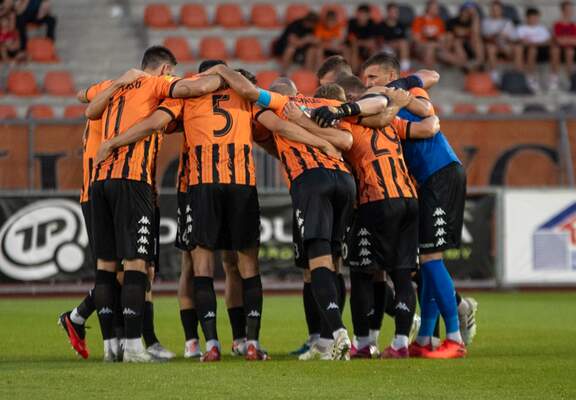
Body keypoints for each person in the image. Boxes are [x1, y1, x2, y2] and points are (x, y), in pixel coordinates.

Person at [84, 46, 224, 363]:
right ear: (163, 70)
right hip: (132, 180)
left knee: (106, 267)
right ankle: (134, 346)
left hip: (100, 181)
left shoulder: (116, 88)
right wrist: (221, 76)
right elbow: (191, 91)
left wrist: (118, 83)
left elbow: (89, 109)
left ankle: (111, 348)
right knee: (137, 264)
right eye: (171, 72)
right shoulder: (157, 85)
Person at [360, 53, 476, 358]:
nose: (367, 83)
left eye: (373, 77)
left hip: (440, 173)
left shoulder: (407, 91)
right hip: (425, 182)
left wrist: (401, 93)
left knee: (431, 258)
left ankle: (454, 338)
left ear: (390, 76)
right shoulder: (383, 103)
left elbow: (427, 109)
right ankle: (425, 337)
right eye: (365, 78)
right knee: (425, 260)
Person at [325, 75, 440, 358]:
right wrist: (415, 105)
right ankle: (400, 343)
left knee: (362, 274)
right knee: (402, 274)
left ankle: (363, 343)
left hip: (375, 199)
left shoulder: (346, 121)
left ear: (352, 100)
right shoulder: (391, 123)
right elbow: (428, 127)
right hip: (408, 199)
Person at [514, 7, 551, 92]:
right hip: (525, 51)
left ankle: (530, 77)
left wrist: (534, 44)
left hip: (541, 52)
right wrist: (532, 43)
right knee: (521, 49)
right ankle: (521, 77)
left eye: (536, 17)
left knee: (533, 49)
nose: (534, 20)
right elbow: (520, 41)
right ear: (527, 18)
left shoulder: (542, 29)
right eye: (532, 17)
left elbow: (548, 42)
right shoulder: (521, 28)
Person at [482, 0, 517, 82]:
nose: (495, 11)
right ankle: (494, 74)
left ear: (501, 10)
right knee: (491, 48)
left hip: (505, 45)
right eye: (493, 9)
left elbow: (514, 38)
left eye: (497, 9)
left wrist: (506, 38)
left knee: (518, 49)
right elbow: (485, 36)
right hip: (493, 45)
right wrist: (496, 36)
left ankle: (518, 74)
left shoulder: (507, 22)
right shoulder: (486, 22)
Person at [445, 2, 484, 69]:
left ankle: (479, 61)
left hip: (470, 45)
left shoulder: (472, 22)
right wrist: (469, 31)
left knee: (476, 39)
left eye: (469, 11)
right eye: (465, 10)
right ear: (461, 10)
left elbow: (476, 33)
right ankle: (465, 64)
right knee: (457, 42)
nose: (466, 12)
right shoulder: (453, 20)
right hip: (455, 46)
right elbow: (459, 32)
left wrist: (475, 16)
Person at [374, 3, 411, 72]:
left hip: (398, 48)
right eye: (392, 12)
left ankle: (404, 70)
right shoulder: (380, 25)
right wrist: (389, 43)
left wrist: (395, 44)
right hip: (385, 47)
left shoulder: (401, 25)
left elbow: (403, 40)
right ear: (388, 12)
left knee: (403, 44)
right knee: (389, 52)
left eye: (396, 12)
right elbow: (378, 41)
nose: (394, 14)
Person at [411, 0, 446, 68]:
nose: (438, 10)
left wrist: (435, 43)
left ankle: (464, 65)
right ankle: (429, 69)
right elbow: (416, 39)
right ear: (429, 9)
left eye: (437, 8)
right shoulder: (419, 20)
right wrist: (429, 42)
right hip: (420, 47)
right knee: (430, 46)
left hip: (436, 46)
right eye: (435, 8)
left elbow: (442, 38)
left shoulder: (439, 21)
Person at [551, 1, 576, 90]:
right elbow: (558, 40)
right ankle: (554, 80)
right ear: (562, 11)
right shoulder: (557, 24)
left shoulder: (573, 25)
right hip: (559, 49)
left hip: (570, 49)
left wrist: (565, 39)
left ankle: (570, 80)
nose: (569, 11)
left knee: (569, 52)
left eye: (570, 9)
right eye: (567, 9)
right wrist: (570, 39)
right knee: (555, 51)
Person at [346, 4, 377, 71]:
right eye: (360, 14)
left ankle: (371, 71)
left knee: (373, 49)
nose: (362, 17)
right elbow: (351, 39)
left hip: (365, 48)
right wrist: (360, 42)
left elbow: (372, 42)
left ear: (368, 15)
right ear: (357, 14)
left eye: (364, 15)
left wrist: (360, 42)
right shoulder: (351, 22)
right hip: (353, 47)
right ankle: (353, 72)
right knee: (354, 47)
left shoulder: (372, 23)